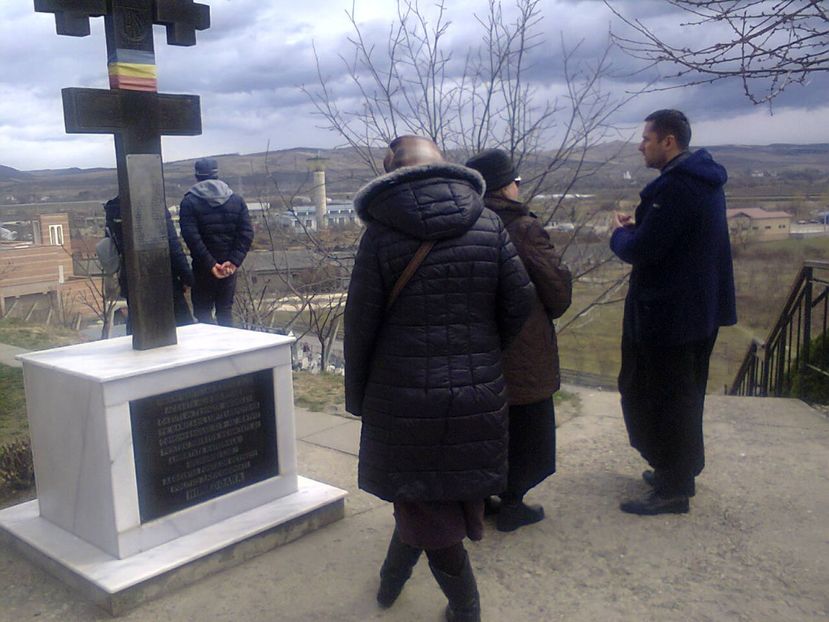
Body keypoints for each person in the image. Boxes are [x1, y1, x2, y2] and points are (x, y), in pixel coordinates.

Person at [344, 136, 535, 622]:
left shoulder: (381, 234)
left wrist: (359, 398)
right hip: (478, 389)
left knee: (425, 506)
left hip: (403, 397)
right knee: (427, 498)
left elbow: (360, 325)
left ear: (394, 172)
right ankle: (389, 584)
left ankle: (466, 608)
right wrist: (483, 350)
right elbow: (520, 301)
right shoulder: (488, 222)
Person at [610, 109, 736, 515]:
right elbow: (675, 242)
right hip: (697, 311)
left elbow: (643, 250)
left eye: (646, 139)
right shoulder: (702, 181)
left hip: (670, 316)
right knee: (683, 395)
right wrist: (642, 227)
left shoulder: (677, 187)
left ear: (668, 141)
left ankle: (673, 489)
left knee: (663, 398)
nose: (640, 146)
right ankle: (677, 471)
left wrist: (620, 235)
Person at [465, 149, 573, 532]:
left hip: (477, 353)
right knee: (528, 432)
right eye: (516, 181)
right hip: (522, 353)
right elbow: (557, 291)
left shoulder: (463, 225)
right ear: (505, 185)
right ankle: (513, 503)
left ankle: (484, 499)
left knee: (487, 430)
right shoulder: (522, 228)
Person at [179, 158, 253, 327]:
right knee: (225, 311)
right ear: (217, 174)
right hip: (228, 269)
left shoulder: (189, 202)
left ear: (197, 176)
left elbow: (191, 237)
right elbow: (246, 234)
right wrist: (233, 262)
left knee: (203, 313)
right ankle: (228, 344)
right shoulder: (237, 200)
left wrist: (211, 264)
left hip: (203, 268)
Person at [103, 196, 194, 330]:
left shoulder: (113, 209)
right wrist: (187, 277)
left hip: (132, 280)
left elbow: (112, 249)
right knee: (183, 330)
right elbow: (172, 245)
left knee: (139, 328)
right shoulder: (154, 204)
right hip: (163, 277)